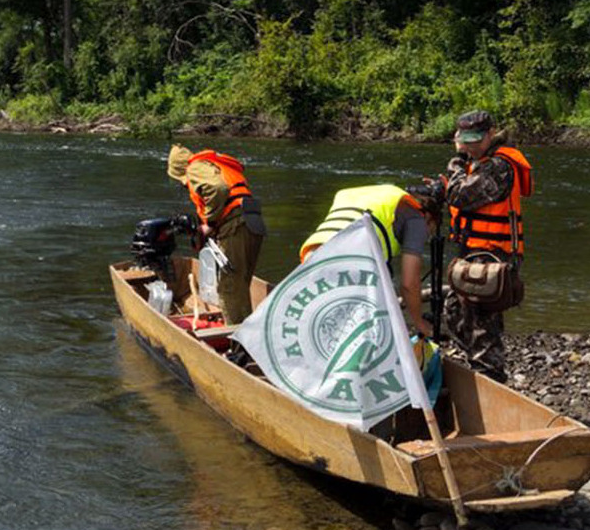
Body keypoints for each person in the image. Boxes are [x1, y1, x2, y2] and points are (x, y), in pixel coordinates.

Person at [438, 109, 531, 382]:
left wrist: (455, 162)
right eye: (465, 138)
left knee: (482, 323)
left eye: (475, 138)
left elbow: (459, 195)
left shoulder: (499, 166)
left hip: (493, 257)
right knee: (455, 311)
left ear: (490, 134)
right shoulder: (479, 162)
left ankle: (490, 378)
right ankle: (480, 369)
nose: (470, 144)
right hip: (476, 252)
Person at [298, 183, 439, 339]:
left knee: (327, 329)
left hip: (311, 258)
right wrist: (420, 324)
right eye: (430, 231)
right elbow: (409, 284)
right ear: (429, 218)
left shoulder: (368, 195)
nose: (426, 238)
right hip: (351, 263)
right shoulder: (417, 217)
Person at [165, 145, 266, 322]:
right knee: (240, 285)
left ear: (179, 169)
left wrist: (210, 223)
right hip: (253, 221)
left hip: (236, 224)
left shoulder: (194, 168)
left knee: (229, 288)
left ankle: (238, 345)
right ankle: (247, 334)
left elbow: (218, 189)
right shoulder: (214, 165)